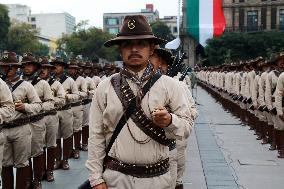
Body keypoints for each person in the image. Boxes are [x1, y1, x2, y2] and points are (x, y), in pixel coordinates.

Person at [86, 15, 193, 189]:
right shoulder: (105, 87)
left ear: (151, 49)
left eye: (141, 44)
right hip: (116, 178)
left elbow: (187, 126)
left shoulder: (169, 85)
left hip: (157, 179)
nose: (134, 49)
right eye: (127, 44)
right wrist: (96, 177)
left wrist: (170, 121)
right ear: (120, 49)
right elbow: (96, 135)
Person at [0, 51, 41, 189]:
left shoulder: (26, 86)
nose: (6, 69)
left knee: (22, 163)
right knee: (5, 164)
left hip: (21, 128)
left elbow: (38, 105)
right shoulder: (0, 85)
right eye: (3, 67)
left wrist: (25, 107)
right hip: (3, 128)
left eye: (9, 67)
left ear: (17, 67)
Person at [21, 53, 55, 189]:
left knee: (37, 150)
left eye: (29, 64)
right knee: (25, 152)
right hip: (22, 122)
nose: (26, 67)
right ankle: (28, 179)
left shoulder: (43, 83)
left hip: (36, 121)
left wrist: (36, 107)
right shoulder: (20, 83)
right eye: (24, 65)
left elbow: (51, 103)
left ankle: (37, 179)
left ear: (36, 67)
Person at [38, 56, 65, 182]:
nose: (42, 70)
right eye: (41, 68)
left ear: (50, 70)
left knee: (51, 144)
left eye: (45, 68)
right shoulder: (34, 84)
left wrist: (49, 101)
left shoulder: (56, 83)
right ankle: (41, 170)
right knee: (39, 146)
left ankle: (49, 171)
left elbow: (62, 99)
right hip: (37, 118)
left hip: (51, 115)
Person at [51, 57, 78, 170]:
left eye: (58, 65)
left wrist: (67, 96)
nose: (56, 67)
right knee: (56, 137)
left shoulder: (70, 80)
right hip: (54, 111)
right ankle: (57, 160)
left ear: (63, 67)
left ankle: (65, 159)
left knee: (67, 135)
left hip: (66, 109)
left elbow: (77, 96)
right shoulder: (50, 80)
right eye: (54, 65)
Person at [67, 58, 87, 159]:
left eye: (73, 68)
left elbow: (85, 93)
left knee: (77, 128)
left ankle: (77, 149)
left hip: (77, 105)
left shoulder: (81, 79)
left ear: (76, 70)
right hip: (67, 107)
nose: (70, 70)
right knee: (68, 130)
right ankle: (69, 149)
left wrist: (74, 93)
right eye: (69, 68)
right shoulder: (66, 79)